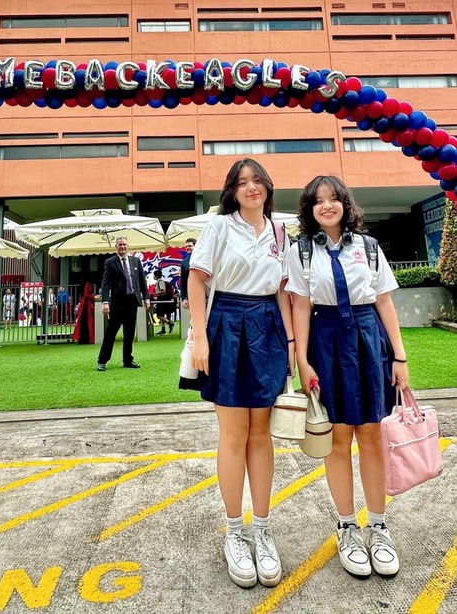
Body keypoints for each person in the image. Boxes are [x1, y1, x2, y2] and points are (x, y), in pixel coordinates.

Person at [285, 175, 409, 580]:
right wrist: (303, 361)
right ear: (310, 209)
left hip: (368, 340)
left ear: (345, 204)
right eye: (318, 200)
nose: (327, 206)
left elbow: (384, 301)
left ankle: (378, 526)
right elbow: (300, 306)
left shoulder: (368, 247)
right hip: (326, 341)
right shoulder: (301, 251)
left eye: (334, 198)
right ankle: (347, 527)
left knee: (371, 434)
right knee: (337, 437)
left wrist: (400, 357)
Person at [188, 158, 294, 589]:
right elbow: (197, 280)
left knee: (261, 433)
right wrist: (200, 336)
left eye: (257, 180)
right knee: (233, 433)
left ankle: (262, 530)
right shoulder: (219, 227)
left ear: (268, 186)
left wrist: (291, 345)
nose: (251, 188)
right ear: (232, 191)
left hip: (268, 326)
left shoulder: (280, 232)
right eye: (242, 182)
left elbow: (285, 292)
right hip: (226, 325)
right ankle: (235, 531)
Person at [97, 236, 150, 371]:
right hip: (117, 303)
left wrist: (146, 298)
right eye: (120, 245)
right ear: (116, 247)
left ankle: (127, 360)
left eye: (124, 245)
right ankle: (102, 360)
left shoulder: (135, 261)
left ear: (128, 246)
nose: (122, 247)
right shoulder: (110, 262)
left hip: (132, 301)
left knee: (129, 333)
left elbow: (142, 281)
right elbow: (105, 283)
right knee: (111, 332)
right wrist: (105, 302)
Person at [152, 269, 175, 335]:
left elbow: (163, 291)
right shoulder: (158, 282)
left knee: (159, 315)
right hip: (160, 299)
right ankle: (163, 330)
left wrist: (154, 294)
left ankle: (170, 323)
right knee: (161, 315)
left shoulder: (160, 282)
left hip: (162, 299)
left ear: (156, 276)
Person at [180, 237, 197, 310]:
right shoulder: (185, 262)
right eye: (186, 246)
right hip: (191, 294)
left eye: (190, 246)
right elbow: (183, 281)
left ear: (196, 246)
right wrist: (184, 298)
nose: (187, 248)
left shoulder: (203, 259)